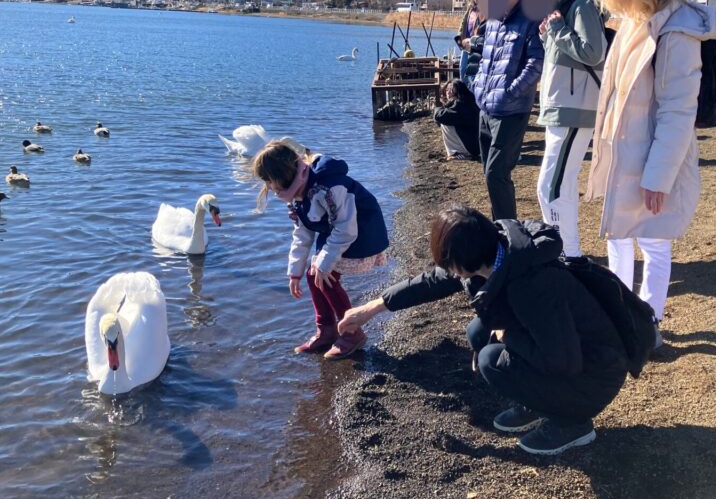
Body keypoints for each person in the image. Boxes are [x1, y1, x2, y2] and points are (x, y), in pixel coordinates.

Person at [337, 204, 629, 455]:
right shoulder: (496, 250)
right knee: (478, 332)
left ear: (465, 260)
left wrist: (506, 335)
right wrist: (373, 308)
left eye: (450, 265)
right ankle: (537, 402)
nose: (449, 272)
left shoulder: (531, 287)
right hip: (568, 346)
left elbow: (564, 362)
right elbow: (433, 281)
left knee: (491, 360)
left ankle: (572, 423)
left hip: (595, 374)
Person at [585, 0, 716, 346]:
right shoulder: (636, 19)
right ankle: (620, 317)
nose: (613, 2)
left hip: (651, 157)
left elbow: (678, 111)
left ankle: (647, 327)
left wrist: (659, 177)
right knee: (617, 235)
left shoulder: (676, 32)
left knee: (653, 241)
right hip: (625, 151)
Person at [252, 140, 389, 359]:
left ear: (282, 175)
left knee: (325, 275)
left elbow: (347, 229)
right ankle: (326, 330)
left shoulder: (328, 188)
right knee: (312, 274)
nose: (268, 188)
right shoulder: (295, 192)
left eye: (269, 182)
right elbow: (302, 233)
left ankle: (352, 331)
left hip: (362, 232)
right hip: (337, 231)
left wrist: (325, 263)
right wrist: (294, 273)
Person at [525, 0, 607, 259]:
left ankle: (564, 254)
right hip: (562, 108)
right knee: (562, 184)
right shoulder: (560, 12)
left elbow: (595, 52)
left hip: (574, 109)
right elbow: (565, 60)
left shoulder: (580, 6)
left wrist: (557, 32)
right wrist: (550, 36)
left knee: (551, 186)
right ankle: (568, 252)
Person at [471, 0, 544, 220]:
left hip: (511, 110)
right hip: (485, 108)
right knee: (488, 173)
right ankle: (499, 227)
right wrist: (477, 87)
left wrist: (510, 92)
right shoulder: (493, 20)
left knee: (497, 173)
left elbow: (537, 62)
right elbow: (484, 59)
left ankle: (507, 233)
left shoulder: (531, 19)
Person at [433, 79, 480, 161]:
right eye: (447, 90)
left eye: (451, 90)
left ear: (458, 91)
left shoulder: (459, 104)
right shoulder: (470, 100)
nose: (448, 92)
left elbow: (438, 116)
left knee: (445, 123)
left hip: (472, 147)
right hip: (477, 143)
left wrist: (438, 107)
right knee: (447, 120)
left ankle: (458, 153)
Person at [455, 0, 483, 83]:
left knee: (473, 70)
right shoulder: (470, 9)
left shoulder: (484, 11)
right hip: (465, 45)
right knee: (462, 68)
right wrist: (459, 36)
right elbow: (463, 23)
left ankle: (472, 92)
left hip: (475, 45)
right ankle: (464, 91)